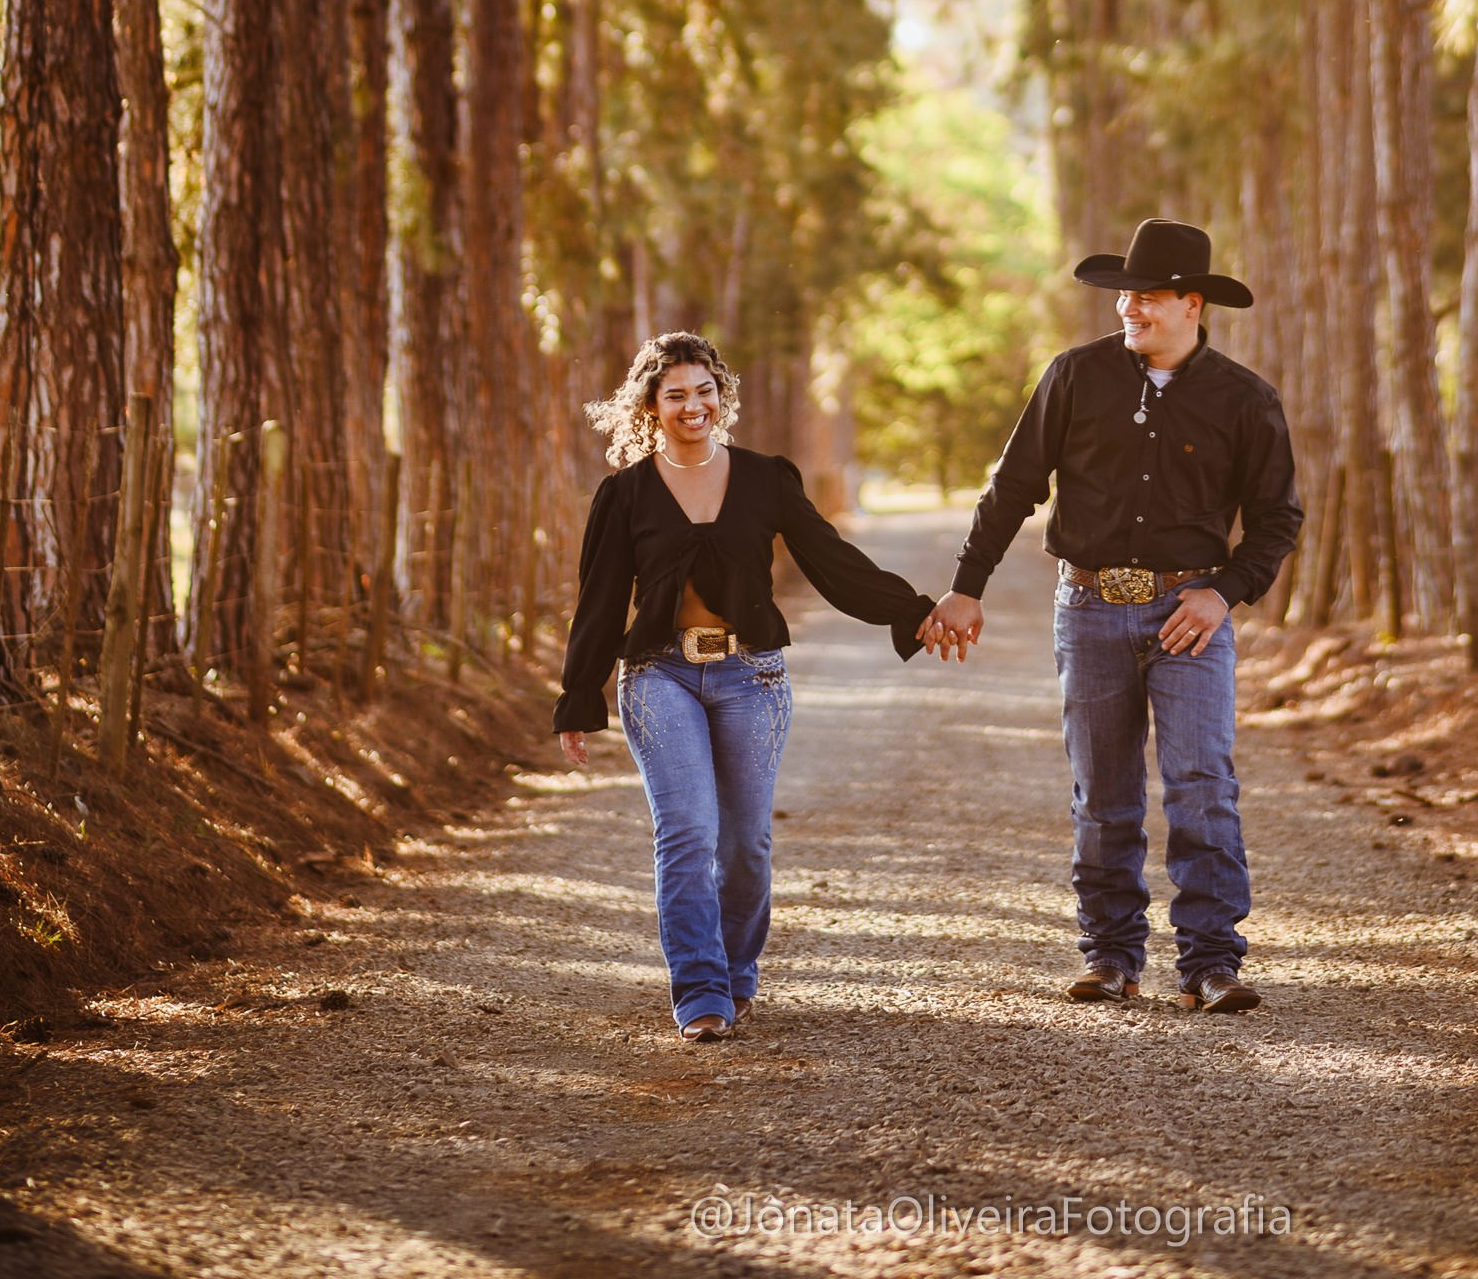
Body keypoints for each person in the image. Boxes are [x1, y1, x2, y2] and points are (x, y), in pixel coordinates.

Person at [927, 219, 1301, 1015]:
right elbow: (1013, 486)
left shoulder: (1245, 399)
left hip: (1189, 615)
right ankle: (1110, 954)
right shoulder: (1075, 376)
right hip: (1088, 608)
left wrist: (1223, 592)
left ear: (1193, 304)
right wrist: (967, 585)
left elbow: (1278, 520)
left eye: (1149, 296)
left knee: (1202, 785)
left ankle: (1210, 963)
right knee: (1103, 792)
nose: (1130, 307)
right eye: (1125, 295)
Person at [556, 330, 935, 1042]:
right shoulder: (626, 493)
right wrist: (579, 697)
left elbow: (832, 562)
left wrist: (912, 611)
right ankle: (701, 991)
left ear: (721, 395)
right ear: (651, 405)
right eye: (675, 395)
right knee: (687, 832)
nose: (692, 406)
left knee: (745, 845)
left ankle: (736, 975)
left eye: (704, 391)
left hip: (750, 677)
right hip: (660, 675)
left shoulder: (765, 479)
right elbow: (599, 601)